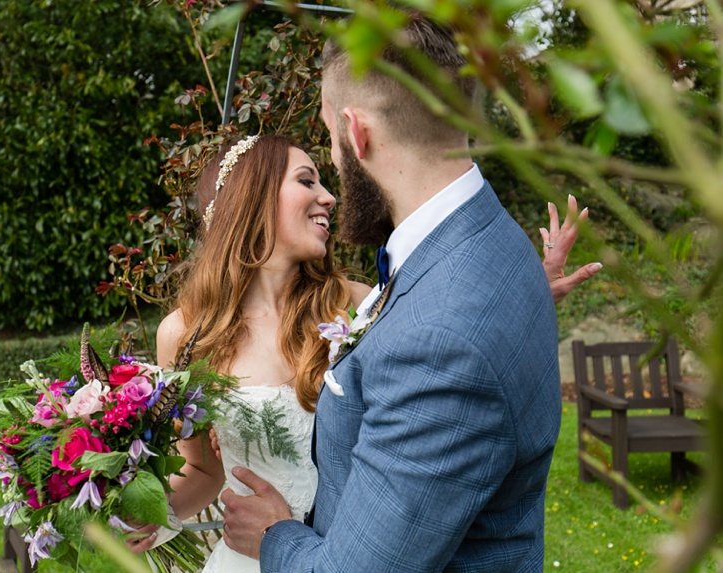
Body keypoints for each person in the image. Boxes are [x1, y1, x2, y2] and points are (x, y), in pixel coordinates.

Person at [126, 133, 596, 571]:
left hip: (347, 550)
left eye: (323, 181)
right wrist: (145, 510)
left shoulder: (354, 303)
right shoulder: (186, 335)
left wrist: (521, 296)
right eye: (306, 181)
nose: (329, 197)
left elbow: (441, 351)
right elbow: (202, 470)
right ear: (251, 198)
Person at [218, 14, 583, 572]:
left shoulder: (440, 341)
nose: (333, 169)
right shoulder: (491, 238)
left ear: (356, 132)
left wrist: (273, 535)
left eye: (330, 139)